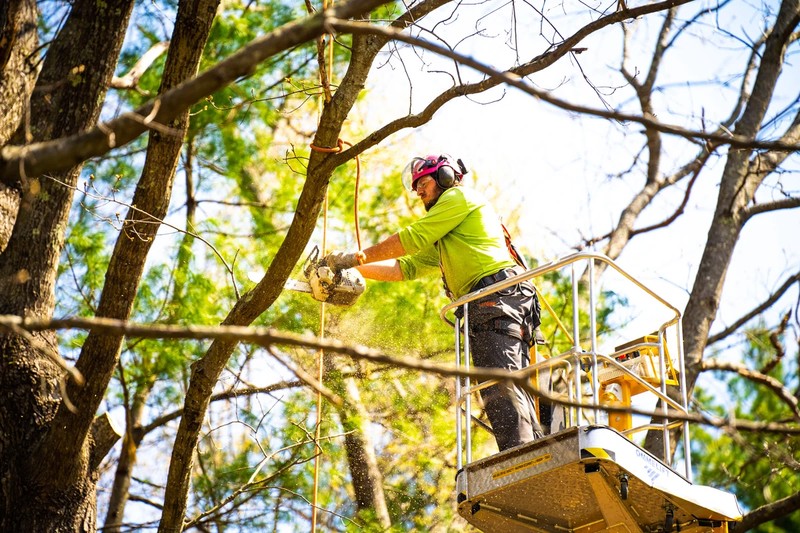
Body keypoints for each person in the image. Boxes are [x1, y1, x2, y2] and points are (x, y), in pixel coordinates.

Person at [324, 154, 544, 452]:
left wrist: (355, 256)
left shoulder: (458, 198)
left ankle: (522, 457)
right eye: (415, 187)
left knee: (500, 382)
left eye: (423, 183)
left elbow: (412, 237)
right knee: (498, 384)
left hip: (497, 297)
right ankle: (527, 452)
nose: (419, 192)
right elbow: (404, 268)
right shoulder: (447, 235)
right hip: (489, 304)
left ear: (445, 178)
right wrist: (349, 269)